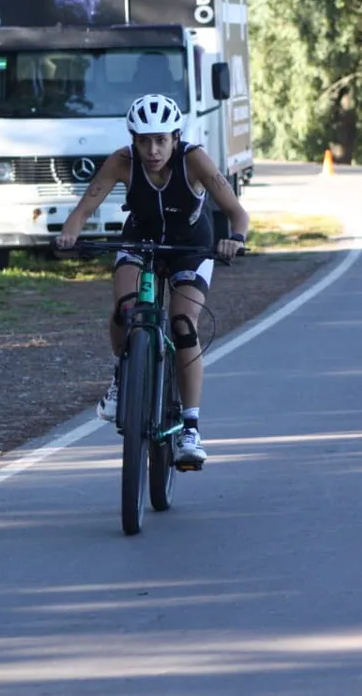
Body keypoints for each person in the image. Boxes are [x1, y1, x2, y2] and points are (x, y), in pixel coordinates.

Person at [55, 94, 250, 467]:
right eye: (143, 140)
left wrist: (235, 240)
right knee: (125, 310)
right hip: (140, 242)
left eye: (161, 139)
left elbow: (237, 214)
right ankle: (121, 379)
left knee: (182, 325)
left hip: (190, 247)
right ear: (133, 140)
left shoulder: (195, 160)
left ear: (176, 138)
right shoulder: (122, 161)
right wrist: (69, 235)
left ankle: (190, 427)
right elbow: (83, 209)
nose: (152, 149)